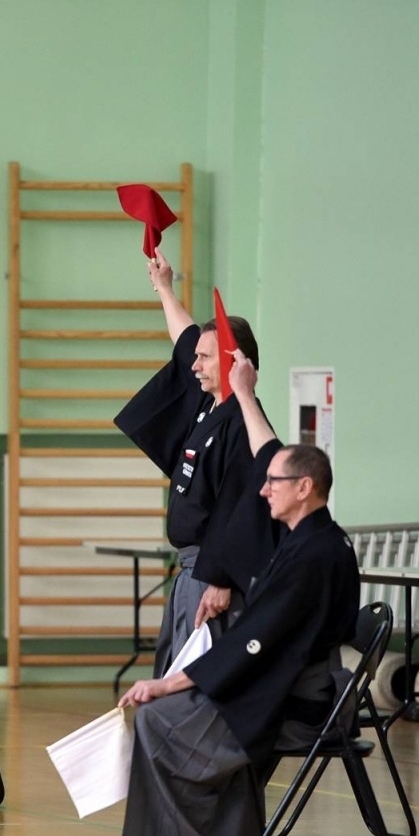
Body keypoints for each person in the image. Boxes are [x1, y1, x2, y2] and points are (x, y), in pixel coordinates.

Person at [113, 351, 360, 836]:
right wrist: (244, 392)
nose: (262, 488)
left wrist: (171, 684)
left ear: (304, 489)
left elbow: (257, 641)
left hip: (293, 699)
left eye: (273, 482)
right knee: (163, 714)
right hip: (273, 681)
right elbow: (266, 449)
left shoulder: (315, 556)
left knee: (160, 720)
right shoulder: (302, 539)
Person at [114, 254, 280, 670]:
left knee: (197, 678)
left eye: (206, 358)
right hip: (191, 567)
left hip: (212, 570)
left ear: (231, 362)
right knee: (173, 669)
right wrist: (165, 288)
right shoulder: (206, 406)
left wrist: (221, 578)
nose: (194, 365)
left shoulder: (243, 422)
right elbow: (186, 338)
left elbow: (243, 506)